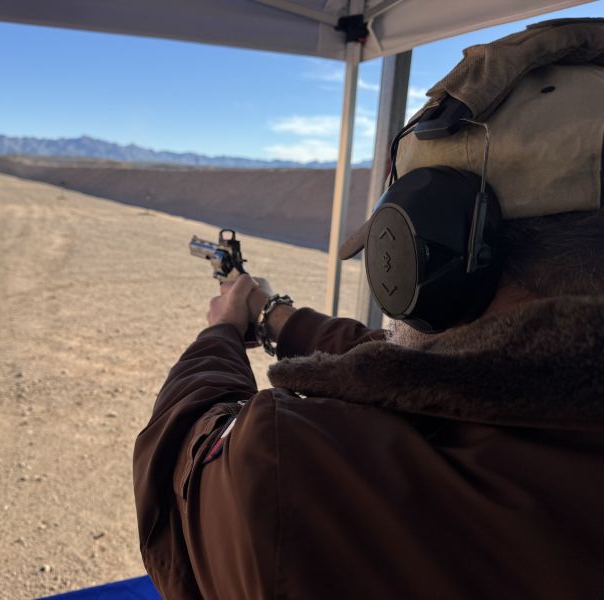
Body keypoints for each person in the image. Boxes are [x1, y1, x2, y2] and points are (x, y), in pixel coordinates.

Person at [134, 19, 604, 599]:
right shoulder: (539, 416)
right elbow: (433, 374)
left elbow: (179, 457)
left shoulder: (295, 472)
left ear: (420, 260)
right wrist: (274, 316)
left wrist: (221, 334)